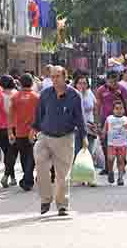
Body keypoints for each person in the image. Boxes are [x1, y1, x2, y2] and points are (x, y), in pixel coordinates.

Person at [33, 66, 88, 216]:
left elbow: (80, 117)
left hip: (65, 138)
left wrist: (84, 137)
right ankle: (45, 198)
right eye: (52, 77)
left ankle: (62, 204)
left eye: (58, 76)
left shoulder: (74, 95)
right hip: (45, 136)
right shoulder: (45, 94)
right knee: (40, 164)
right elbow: (39, 113)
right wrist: (34, 129)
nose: (55, 80)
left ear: (65, 77)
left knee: (62, 175)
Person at [8, 74, 40, 191]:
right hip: (34, 132)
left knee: (24, 156)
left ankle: (27, 179)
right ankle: (28, 179)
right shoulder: (36, 97)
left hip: (19, 132)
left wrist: (10, 132)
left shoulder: (15, 97)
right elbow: (40, 115)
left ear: (20, 83)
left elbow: (10, 116)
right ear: (32, 83)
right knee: (32, 156)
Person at [96, 71, 127, 175]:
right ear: (107, 80)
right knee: (105, 144)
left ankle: (122, 164)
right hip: (106, 121)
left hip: (120, 121)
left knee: (121, 143)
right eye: (111, 81)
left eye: (115, 81)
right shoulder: (101, 90)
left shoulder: (122, 89)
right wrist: (97, 122)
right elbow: (97, 106)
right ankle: (107, 167)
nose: (113, 84)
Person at [0, 75, 19, 188]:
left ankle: (10, 177)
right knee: (12, 153)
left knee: (7, 152)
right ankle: (7, 176)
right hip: (15, 127)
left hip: (1, 128)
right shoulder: (17, 95)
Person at [104, 101, 127, 186]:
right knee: (110, 159)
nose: (119, 110)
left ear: (124, 110)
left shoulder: (126, 119)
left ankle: (120, 177)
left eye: (121, 109)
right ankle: (110, 171)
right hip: (111, 144)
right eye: (116, 109)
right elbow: (105, 129)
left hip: (122, 144)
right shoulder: (109, 119)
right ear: (113, 110)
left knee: (121, 160)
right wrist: (102, 135)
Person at [73, 73, 98, 158]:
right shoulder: (73, 95)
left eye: (84, 83)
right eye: (80, 83)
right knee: (77, 153)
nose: (82, 85)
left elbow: (95, 108)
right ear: (75, 84)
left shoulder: (90, 93)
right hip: (77, 128)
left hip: (90, 127)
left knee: (89, 152)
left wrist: (96, 124)